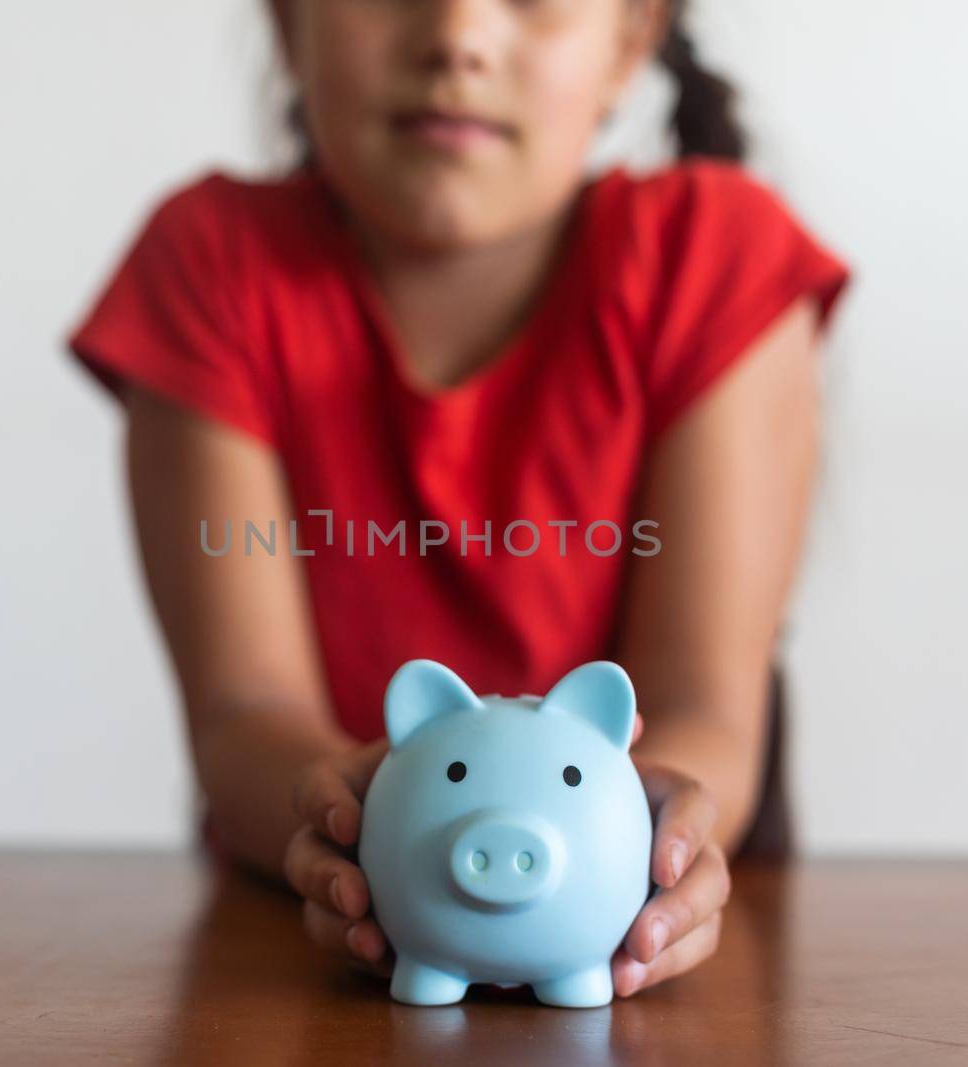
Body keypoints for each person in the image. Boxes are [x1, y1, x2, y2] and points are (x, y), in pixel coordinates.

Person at [67, 0, 849, 999]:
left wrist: (658, 834)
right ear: (284, 27)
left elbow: (704, 711)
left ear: (629, 44)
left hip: (658, 974)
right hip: (299, 970)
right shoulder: (209, 262)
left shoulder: (715, 257)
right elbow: (244, 713)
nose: (456, 36)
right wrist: (352, 832)